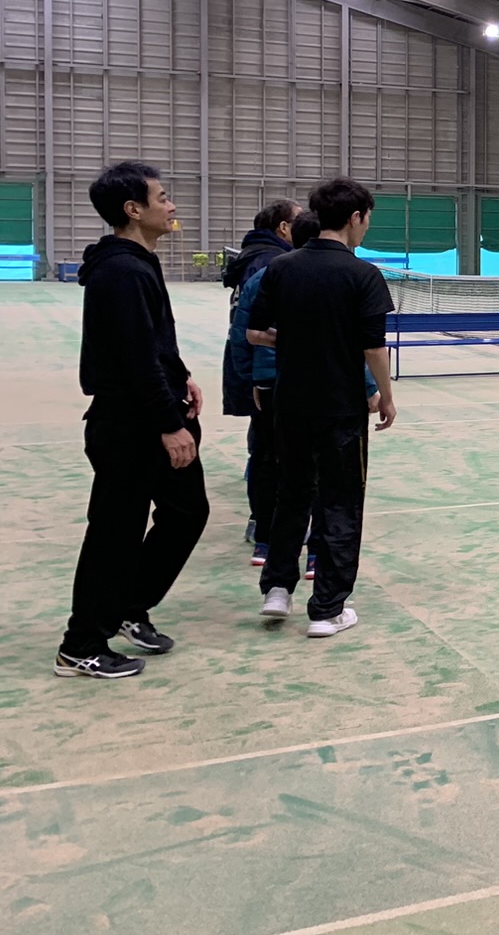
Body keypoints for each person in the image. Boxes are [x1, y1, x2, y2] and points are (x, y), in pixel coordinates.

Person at [56, 162, 210, 678]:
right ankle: (81, 645)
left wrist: (181, 377)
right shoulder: (121, 271)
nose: (172, 206)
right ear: (133, 210)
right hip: (129, 424)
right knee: (114, 532)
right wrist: (169, 423)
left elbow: (153, 340)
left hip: (151, 410)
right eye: (162, 197)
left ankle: (126, 605)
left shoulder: (139, 262)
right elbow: (134, 358)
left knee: (186, 512)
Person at [248, 178, 399, 637]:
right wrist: (387, 396)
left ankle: (277, 588)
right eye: (367, 219)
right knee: (340, 502)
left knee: (292, 494)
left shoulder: (281, 268)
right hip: (341, 408)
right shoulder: (363, 275)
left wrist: (297, 341)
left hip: (290, 404)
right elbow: (373, 347)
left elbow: (254, 332)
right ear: (355, 218)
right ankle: (327, 609)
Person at [222, 199, 299, 565]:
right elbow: (251, 330)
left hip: (262, 375)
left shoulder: (254, 256)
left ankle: (266, 527)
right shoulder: (272, 264)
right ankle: (267, 527)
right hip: (275, 376)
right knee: (276, 454)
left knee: (264, 449)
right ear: (284, 227)